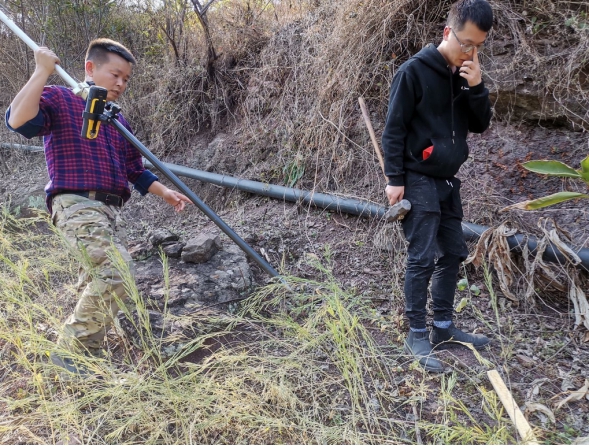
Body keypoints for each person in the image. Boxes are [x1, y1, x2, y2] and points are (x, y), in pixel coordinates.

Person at [5, 38, 192, 375]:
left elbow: (134, 169)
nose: (120, 84)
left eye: (126, 79)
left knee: (94, 282)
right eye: (115, 74)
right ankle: (70, 356)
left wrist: (164, 191)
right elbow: (18, 121)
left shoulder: (117, 121)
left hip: (109, 211)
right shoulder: (62, 98)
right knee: (116, 271)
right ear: (91, 68)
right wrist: (41, 72)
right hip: (76, 203)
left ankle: (84, 365)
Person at [382, 0, 493, 372]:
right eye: (466, 42)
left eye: (479, 45)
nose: (471, 51)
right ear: (448, 32)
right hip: (417, 176)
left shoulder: (466, 74)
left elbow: (480, 125)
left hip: (448, 179)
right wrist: (394, 180)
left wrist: (476, 87)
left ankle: (443, 328)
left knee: (453, 253)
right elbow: (394, 129)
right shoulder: (412, 72)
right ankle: (417, 333)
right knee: (422, 255)